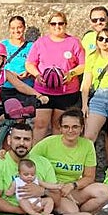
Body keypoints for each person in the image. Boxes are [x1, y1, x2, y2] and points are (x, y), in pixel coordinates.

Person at [29, 109, 108, 215]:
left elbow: (89, 177)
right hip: (52, 190)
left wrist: (72, 185)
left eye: (75, 127)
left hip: (72, 189)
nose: (70, 130)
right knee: (72, 212)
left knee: (104, 192)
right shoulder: (48, 142)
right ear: (60, 128)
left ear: (82, 128)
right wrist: (3, 154)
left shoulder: (87, 145)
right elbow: (26, 160)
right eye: (66, 127)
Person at [0, 41, 48, 142]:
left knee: (9, 123)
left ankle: (2, 150)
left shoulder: (5, 73)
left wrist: (38, 95)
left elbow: (20, 86)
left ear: (3, 60)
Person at [25, 11, 85, 141]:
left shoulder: (74, 42)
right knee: (40, 124)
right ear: (49, 25)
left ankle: (54, 157)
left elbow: (83, 65)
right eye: (53, 23)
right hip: (43, 91)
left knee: (59, 126)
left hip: (66, 92)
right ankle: (36, 155)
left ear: (65, 24)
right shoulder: (41, 42)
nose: (57, 26)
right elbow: (29, 63)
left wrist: (71, 74)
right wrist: (37, 75)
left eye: (60, 23)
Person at [79, 27, 108, 190]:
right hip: (98, 97)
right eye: (101, 39)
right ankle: (85, 173)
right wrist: (84, 104)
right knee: (88, 137)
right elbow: (86, 81)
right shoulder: (92, 57)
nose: (104, 42)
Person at [0, 15, 35, 102]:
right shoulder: (3, 45)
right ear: (9, 29)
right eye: (13, 28)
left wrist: (28, 72)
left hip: (26, 86)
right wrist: (10, 75)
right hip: (6, 87)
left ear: (24, 28)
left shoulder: (32, 46)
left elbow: (36, 64)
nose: (16, 31)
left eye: (19, 27)